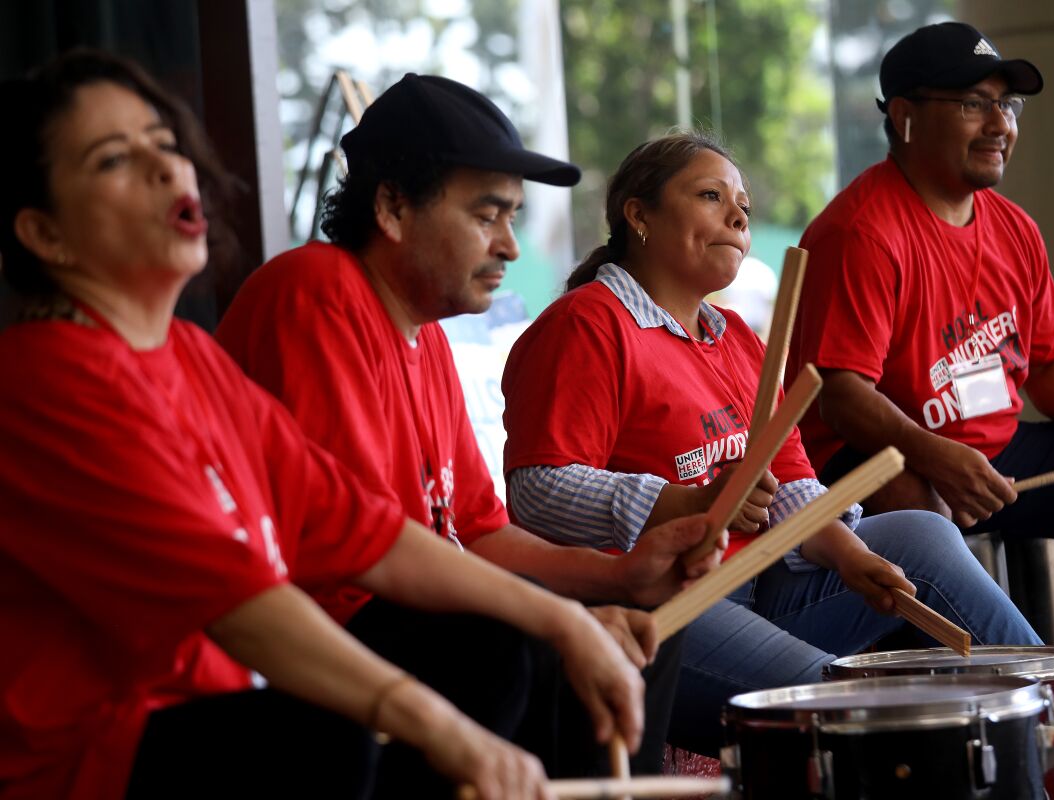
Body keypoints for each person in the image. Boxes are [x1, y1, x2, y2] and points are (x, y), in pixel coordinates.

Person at [0, 50, 650, 800]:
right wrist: (440, 725)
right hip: (90, 763)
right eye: (114, 158)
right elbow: (238, 597)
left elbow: (357, 525)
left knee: (565, 643)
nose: (165, 169)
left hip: (216, 714)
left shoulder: (185, 355)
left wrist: (571, 619)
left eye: (164, 142)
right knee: (332, 733)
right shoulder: (46, 378)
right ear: (45, 235)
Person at [497, 131, 1054, 799]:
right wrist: (682, 504)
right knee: (856, 706)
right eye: (711, 197)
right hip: (664, 606)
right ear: (639, 215)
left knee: (919, 533)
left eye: (742, 203)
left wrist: (847, 555)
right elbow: (538, 492)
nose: (739, 218)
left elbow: (797, 487)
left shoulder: (738, 339)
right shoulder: (587, 325)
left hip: (766, 586)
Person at [215, 72, 722, 777]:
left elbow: (479, 533)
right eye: (488, 215)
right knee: (502, 636)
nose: (510, 246)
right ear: (392, 207)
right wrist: (559, 618)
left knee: (640, 633)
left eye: (513, 217)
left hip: (411, 626)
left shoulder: (427, 339)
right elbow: (362, 555)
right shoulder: (315, 290)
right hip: (317, 655)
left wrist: (619, 576)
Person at [787, 21, 1054, 604]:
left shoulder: (1015, 227)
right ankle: (987, 683)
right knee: (922, 519)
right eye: (972, 104)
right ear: (904, 116)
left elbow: (1051, 365)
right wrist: (938, 458)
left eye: (1005, 104)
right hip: (876, 460)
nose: (1000, 123)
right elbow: (841, 396)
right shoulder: (860, 233)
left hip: (993, 454)